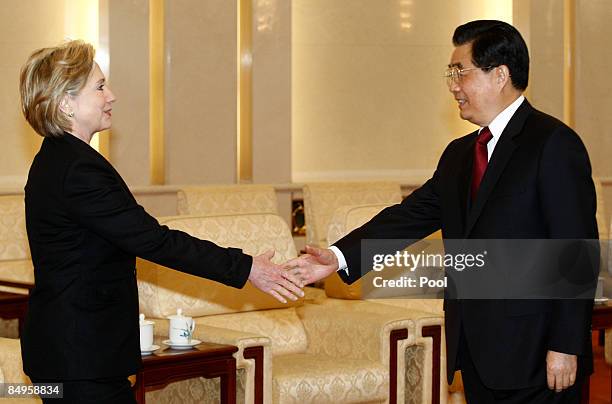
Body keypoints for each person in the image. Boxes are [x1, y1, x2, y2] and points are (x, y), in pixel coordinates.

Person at [288, 20, 598, 403]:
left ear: (499, 74)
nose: (453, 85)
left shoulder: (553, 143)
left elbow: (576, 251)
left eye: (460, 72)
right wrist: (337, 258)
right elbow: (409, 217)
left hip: (538, 352)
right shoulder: (460, 154)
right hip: (477, 350)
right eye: (451, 74)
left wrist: (566, 345)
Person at [19, 40, 304, 404]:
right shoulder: (77, 170)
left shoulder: (56, 160)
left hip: (70, 353)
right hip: (81, 358)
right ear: (66, 103)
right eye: (100, 87)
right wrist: (247, 268)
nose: (112, 96)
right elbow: (154, 240)